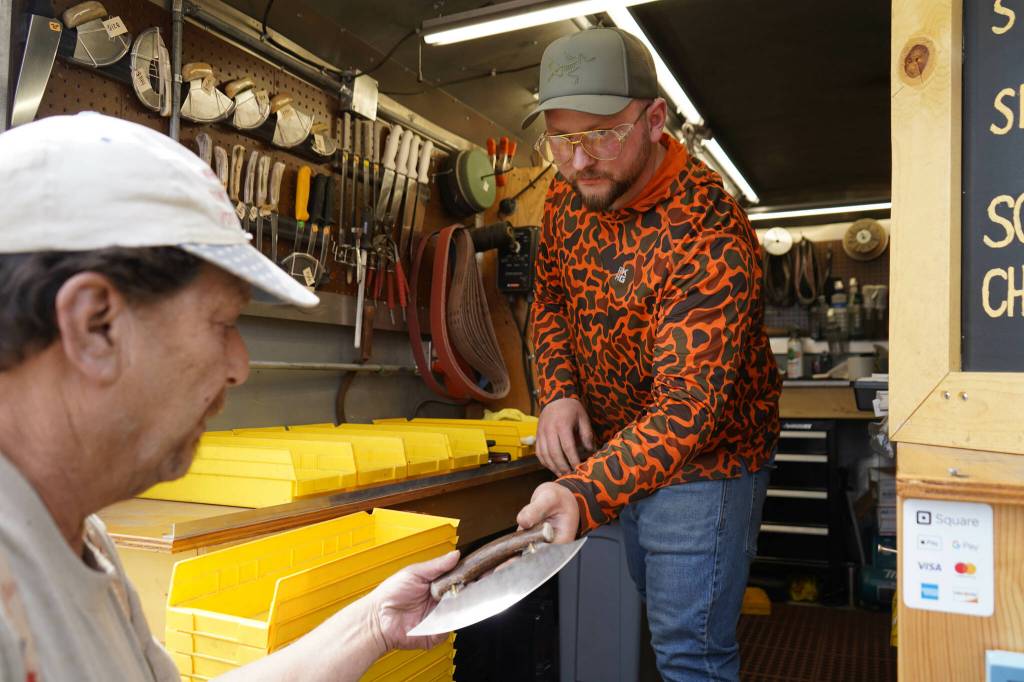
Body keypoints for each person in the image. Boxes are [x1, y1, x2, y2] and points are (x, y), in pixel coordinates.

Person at [0, 113, 458, 682]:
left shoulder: (74, 535)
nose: (240, 365)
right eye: (223, 322)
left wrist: (371, 627)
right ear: (95, 326)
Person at [514, 28, 781, 681]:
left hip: (705, 464)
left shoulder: (708, 229)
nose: (580, 161)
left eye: (602, 134)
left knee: (689, 652)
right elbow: (548, 300)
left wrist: (582, 488)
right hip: (615, 451)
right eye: (563, 139)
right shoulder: (566, 193)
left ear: (655, 119)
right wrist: (557, 392)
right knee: (647, 627)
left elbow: (688, 409)